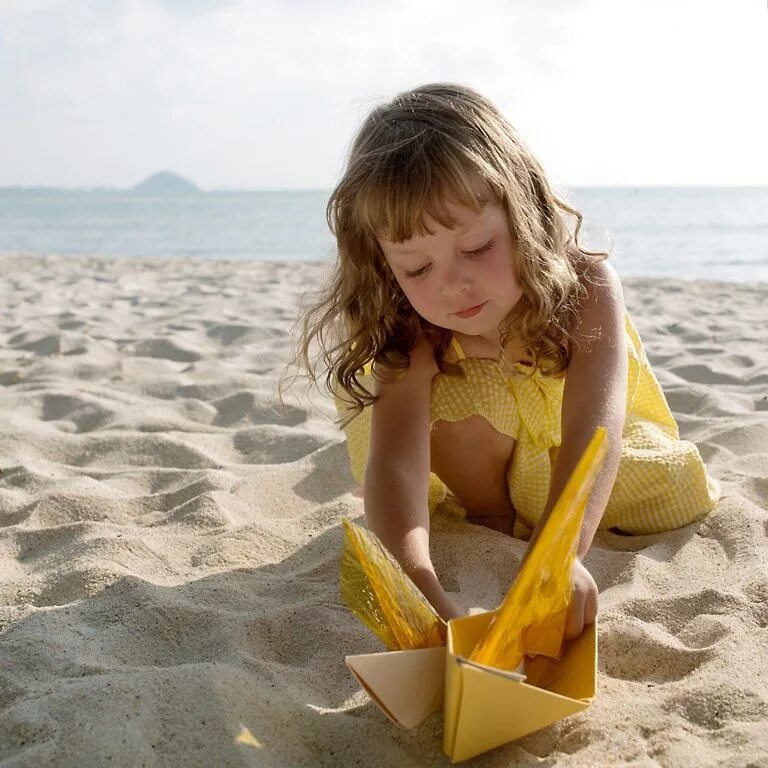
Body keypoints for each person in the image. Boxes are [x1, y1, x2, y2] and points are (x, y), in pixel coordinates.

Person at [291, 83, 719, 640]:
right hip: (480, 465)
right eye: (416, 268)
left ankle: (531, 523)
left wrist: (557, 557)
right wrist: (420, 586)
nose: (452, 284)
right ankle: (491, 517)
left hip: (575, 467)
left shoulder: (586, 286)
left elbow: (595, 428)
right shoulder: (411, 325)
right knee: (426, 435)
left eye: (475, 249)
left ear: (523, 212)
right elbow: (396, 464)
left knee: (668, 494)